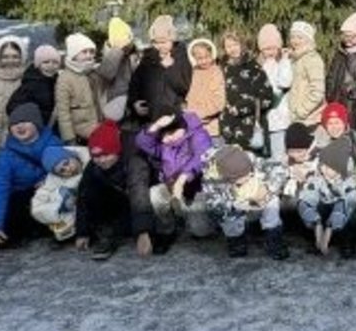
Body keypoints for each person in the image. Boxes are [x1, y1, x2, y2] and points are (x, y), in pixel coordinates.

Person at [0, 102, 62, 251]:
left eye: (25, 121)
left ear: (36, 123)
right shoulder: (5, 156)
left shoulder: (53, 143)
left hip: (50, 194)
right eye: (14, 124)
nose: (19, 126)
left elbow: (67, 170)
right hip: (22, 202)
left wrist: (49, 180)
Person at [192, 146, 289, 259]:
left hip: (260, 198)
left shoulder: (248, 159)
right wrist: (236, 202)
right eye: (240, 178)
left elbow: (279, 170)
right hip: (233, 207)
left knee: (272, 202)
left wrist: (267, 189)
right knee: (230, 221)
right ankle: (236, 241)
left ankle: (273, 238)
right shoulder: (211, 178)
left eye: (249, 174)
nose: (247, 178)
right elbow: (215, 207)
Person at [135, 110, 213, 250]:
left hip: (195, 189)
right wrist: (155, 126)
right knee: (155, 194)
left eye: (172, 133)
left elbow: (202, 156)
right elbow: (142, 143)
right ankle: (167, 229)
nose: (167, 138)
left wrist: (184, 177)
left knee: (200, 231)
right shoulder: (163, 144)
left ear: (182, 128)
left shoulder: (198, 134)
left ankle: (198, 221)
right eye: (163, 135)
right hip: (170, 185)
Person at [74, 121, 132, 260]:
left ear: (116, 151)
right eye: (96, 156)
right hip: (107, 211)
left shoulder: (129, 162)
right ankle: (105, 234)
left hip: (130, 208)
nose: (102, 160)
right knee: (91, 191)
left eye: (106, 155)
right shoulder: (92, 168)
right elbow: (82, 199)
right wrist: (82, 232)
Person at [126, 14, 193, 124]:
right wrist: (134, 103)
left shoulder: (181, 58)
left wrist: (170, 69)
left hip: (173, 118)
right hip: (148, 118)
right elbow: (135, 83)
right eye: (156, 42)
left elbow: (184, 87)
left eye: (164, 42)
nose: (160, 46)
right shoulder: (148, 58)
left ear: (172, 39)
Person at [300, 137, 356, 256]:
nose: (325, 170)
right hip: (322, 218)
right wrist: (316, 221)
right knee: (306, 202)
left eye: (330, 167)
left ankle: (345, 241)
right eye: (323, 165)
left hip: (341, 217)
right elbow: (308, 196)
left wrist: (330, 227)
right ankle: (316, 236)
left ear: (339, 169)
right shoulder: (318, 178)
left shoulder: (348, 182)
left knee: (347, 206)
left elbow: (350, 200)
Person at [221, 30, 275, 153]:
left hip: (251, 127)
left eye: (235, 44)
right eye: (228, 46)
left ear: (242, 44)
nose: (232, 49)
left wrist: (243, 106)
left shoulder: (253, 67)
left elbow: (267, 97)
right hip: (230, 127)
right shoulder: (224, 68)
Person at [55, 32, 109, 144]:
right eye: (84, 52)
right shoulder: (65, 78)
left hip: (99, 125)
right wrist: (69, 138)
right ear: (74, 55)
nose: (89, 55)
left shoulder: (94, 73)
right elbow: (63, 112)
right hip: (80, 131)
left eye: (91, 52)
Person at [30, 145, 90, 242]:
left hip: (92, 200)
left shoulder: (91, 160)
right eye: (62, 171)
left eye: (66, 163)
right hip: (71, 209)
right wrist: (57, 208)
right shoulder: (54, 179)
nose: (67, 169)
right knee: (56, 195)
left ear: (71, 156)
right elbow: (38, 204)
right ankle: (67, 227)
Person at [257, 24, 294, 159]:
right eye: (266, 49)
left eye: (273, 48)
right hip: (265, 119)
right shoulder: (260, 67)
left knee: (279, 154)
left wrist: (285, 60)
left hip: (280, 118)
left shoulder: (283, 63)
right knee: (266, 154)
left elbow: (285, 82)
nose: (270, 52)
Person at [6, 44, 60, 127]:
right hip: (35, 128)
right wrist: (32, 118)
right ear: (38, 65)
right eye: (46, 62)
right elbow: (12, 107)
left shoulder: (59, 81)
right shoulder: (31, 83)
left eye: (55, 62)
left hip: (54, 127)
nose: (51, 66)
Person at [185, 37, 227, 140]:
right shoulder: (194, 72)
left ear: (212, 55)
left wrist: (201, 114)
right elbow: (190, 97)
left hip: (212, 128)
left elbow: (219, 101)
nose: (204, 61)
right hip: (194, 126)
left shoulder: (216, 72)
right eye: (200, 58)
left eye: (207, 57)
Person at [287, 20, 327, 127]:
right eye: (292, 37)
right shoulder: (295, 58)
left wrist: (301, 111)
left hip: (309, 118)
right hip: (296, 117)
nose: (295, 41)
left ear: (308, 40)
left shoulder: (312, 59)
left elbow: (318, 90)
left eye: (300, 37)